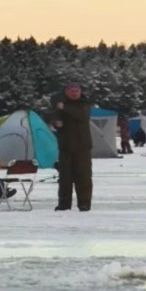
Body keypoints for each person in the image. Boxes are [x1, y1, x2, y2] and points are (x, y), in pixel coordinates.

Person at [51, 83, 93, 211]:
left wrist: (64, 108)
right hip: (65, 146)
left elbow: (81, 116)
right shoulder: (60, 104)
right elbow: (54, 116)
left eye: (76, 91)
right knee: (64, 178)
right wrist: (56, 123)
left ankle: (84, 203)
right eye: (71, 91)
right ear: (66, 92)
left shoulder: (84, 104)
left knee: (83, 177)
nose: (74, 93)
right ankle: (64, 203)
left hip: (83, 146)